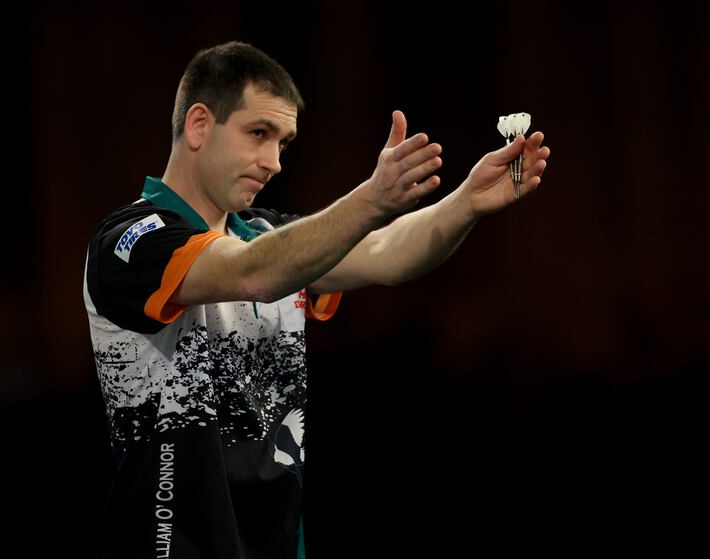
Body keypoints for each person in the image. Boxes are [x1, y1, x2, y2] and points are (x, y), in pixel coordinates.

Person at [83, 41, 549, 558]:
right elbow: (249, 273)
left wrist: (465, 204)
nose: (274, 162)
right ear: (198, 125)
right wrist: (371, 200)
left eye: (283, 142)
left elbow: (385, 252)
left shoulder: (268, 234)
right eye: (258, 133)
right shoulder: (130, 240)